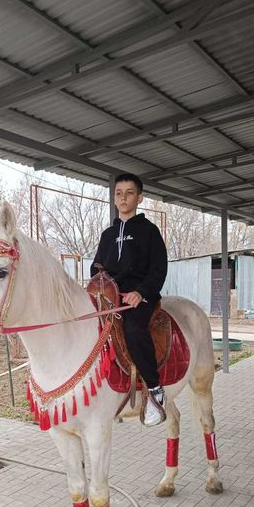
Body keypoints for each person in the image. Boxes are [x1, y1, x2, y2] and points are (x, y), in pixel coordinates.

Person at [91, 173, 168, 426]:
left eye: (129, 193)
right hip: (111, 297)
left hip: (138, 297)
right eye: (119, 193)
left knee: (134, 329)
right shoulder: (107, 235)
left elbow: (159, 269)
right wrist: (99, 286)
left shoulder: (149, 231)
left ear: (140, 198)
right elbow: (97, 267)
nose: (123, 198)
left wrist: (141, 292)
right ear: (114, 198)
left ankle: (155, 390)